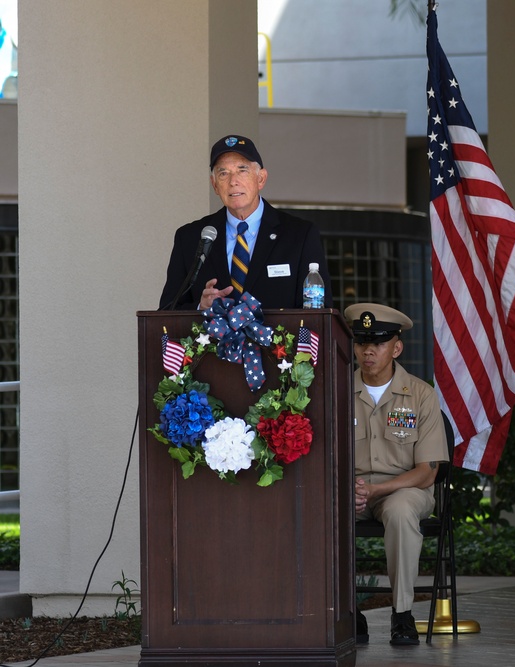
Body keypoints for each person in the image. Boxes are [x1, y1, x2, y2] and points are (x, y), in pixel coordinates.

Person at [345, 302, 449, 647]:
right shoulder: (337, 391)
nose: (368, 350)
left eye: (378, 342)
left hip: (404, 489)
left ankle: (402, 613)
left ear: (396, 347)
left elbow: (427, 472)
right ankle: (347, 612)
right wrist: (348, 488)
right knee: (320, 509)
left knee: (403, 511)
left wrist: (377, 491)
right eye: (361, 342)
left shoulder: (420, 395)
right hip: (351, 489)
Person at [158, 134, 330, 310]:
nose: (233, 182)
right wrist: (200, 307)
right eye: (223, 173)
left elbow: (319, 312)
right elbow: (167, 311)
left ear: (261, 179)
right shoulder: (190, 238)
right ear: (215, 185)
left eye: (242, 170)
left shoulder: (299, 235)